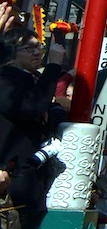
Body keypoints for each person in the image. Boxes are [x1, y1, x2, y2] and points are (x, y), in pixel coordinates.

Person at [0, 27, 64, 229]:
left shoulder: (30, 78)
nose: (37, 52)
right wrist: (53, 66)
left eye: (39, 47)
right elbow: (30, 108)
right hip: (12, 182)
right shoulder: (6, 79)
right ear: (10, 54)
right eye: (29, 48)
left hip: (31, 181)